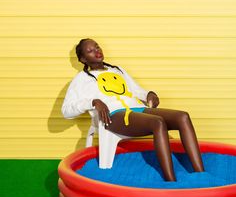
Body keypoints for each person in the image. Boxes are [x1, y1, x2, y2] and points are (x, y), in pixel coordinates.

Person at [62, 38, 204, 181]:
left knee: (183, 117)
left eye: (97, 47)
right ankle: (171, 181)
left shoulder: (117, 70)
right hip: (114, 115)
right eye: (90, 51)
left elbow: (136, 91)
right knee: (158, 122)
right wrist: (92, 102)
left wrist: (148, 94)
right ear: (82, 59)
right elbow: (66, 111)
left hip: (137, 109)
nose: (97, 51)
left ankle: (201, 174)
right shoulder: (81, 79)